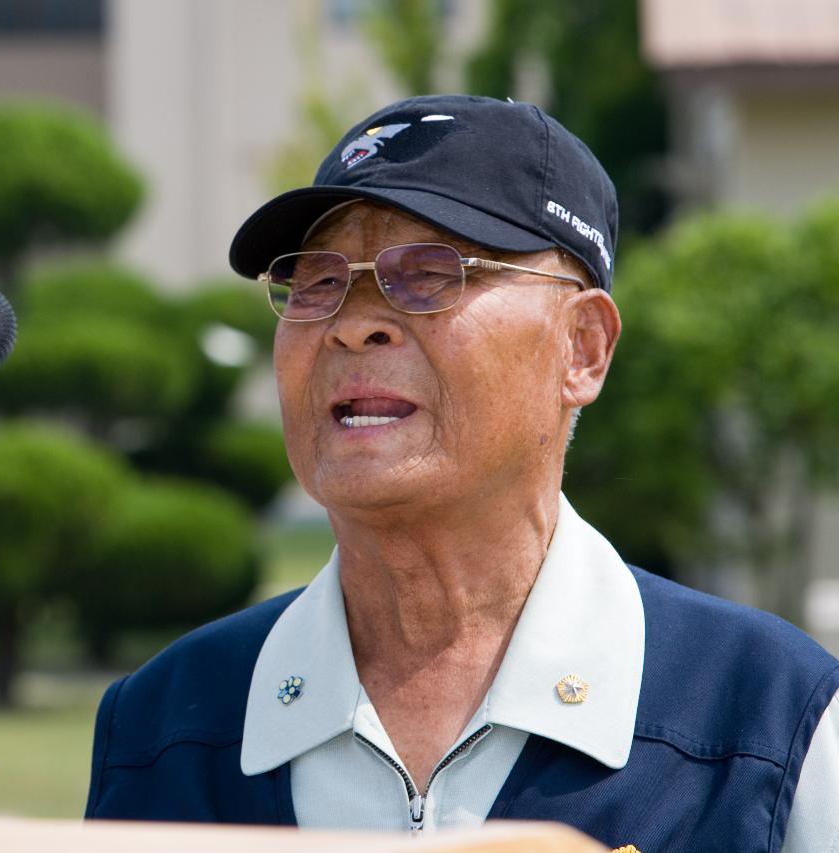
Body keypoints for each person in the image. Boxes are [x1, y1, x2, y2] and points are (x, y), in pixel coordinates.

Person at [84, 94, 839, 852]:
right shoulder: (164, 726)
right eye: (316, 282)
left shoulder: (769, 722)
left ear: (583, 348)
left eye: (429, 272)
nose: (353, 322)